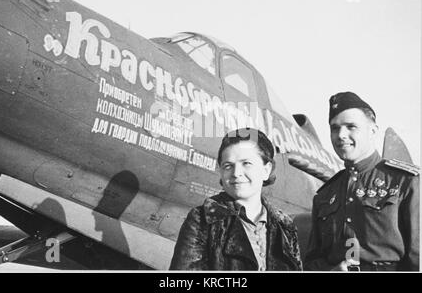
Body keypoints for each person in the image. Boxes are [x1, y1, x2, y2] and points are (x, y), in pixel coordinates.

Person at [304, 92, 419, 271]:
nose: (341, 134)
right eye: (335, 128)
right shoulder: (324, 194)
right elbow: (311, 261)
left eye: (351, 126)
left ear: (372, 131)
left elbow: (417, 256)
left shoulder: (406, 181)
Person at [170, 128, 302, 270]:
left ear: (266, 170)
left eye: (246, 163)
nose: (236, 173)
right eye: (228, 166)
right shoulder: (202, 220)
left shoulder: (285, 226)